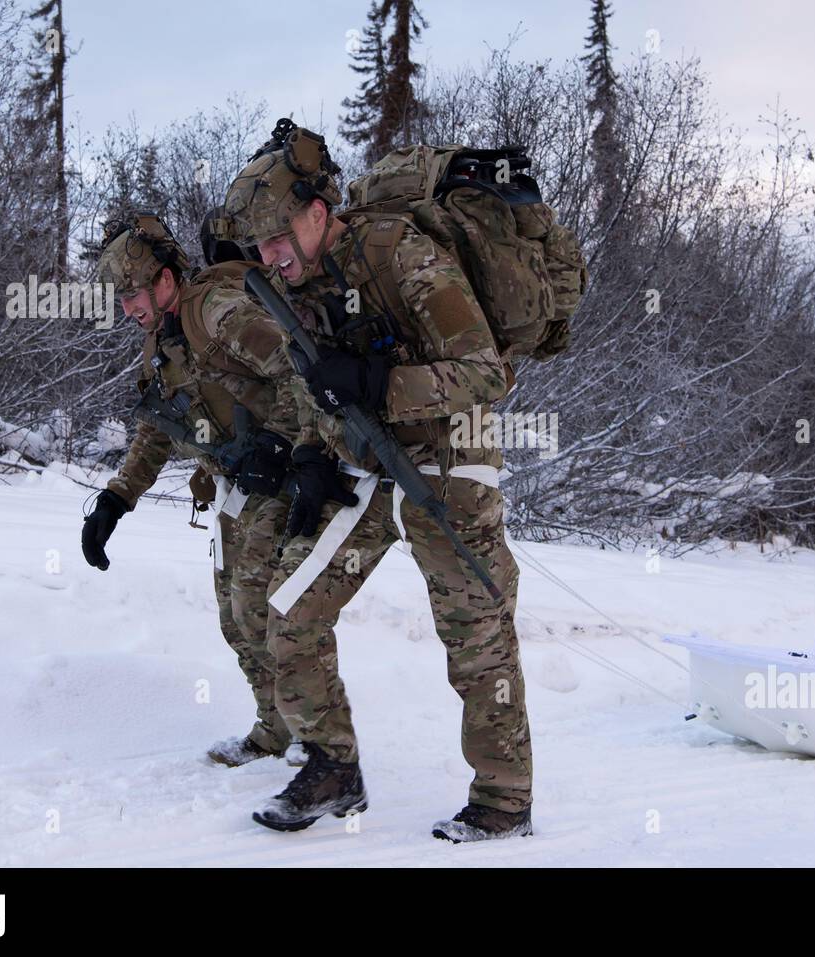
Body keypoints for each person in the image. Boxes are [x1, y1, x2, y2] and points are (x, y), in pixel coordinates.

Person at [221, 123, 533, 842]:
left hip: (449, 458)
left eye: (278, 237)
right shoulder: (298, 284)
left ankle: (504, 798)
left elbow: (486, 372)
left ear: (318, 213)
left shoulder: (399, 252)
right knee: (290, 607)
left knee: (475, 633)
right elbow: (310, 382)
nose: (269, 256)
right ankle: (333, 767)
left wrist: (379, 383)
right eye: (259, 245)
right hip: (366, 460)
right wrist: (307, 452)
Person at [83, 210, 306, 768]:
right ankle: (275, 731)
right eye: (121, 299)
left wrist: (279, 444)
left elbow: (299, 368)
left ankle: (317, 746)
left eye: (134, 293)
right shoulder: (161, 336)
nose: (129, 308)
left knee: (263, 610)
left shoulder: (217, 312)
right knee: (235, 619)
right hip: (236, 486)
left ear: (164, 279)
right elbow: (160, 424)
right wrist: (116, 499)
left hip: (285, 476)